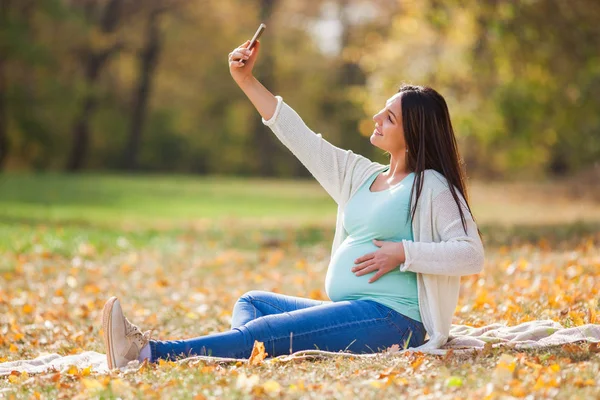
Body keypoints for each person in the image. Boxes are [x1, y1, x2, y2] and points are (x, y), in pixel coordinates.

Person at [101, 39, 485, 369]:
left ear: (413, 132)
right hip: (353, 312)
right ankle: (243, 347)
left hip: (395, 321)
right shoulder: (360, 175)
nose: (376, 118)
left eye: (389, 117)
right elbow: (299, 136)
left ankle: (149, 353)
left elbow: (471, 255)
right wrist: (246, 80)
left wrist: (404, 252)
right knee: (253, 302)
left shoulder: (430, 185)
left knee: (266, 332)